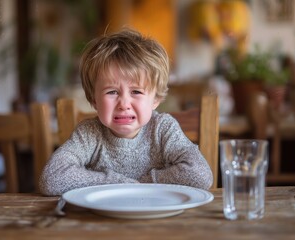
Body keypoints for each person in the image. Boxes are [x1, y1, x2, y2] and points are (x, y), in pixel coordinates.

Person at [39, 29, 213, 195]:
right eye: (112, 92)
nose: (124, 104)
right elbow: (51, 179)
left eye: (136, 92)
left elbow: (201, 175)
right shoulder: (89, 133)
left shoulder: (163, 129)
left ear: (155, 100)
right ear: (94, 100)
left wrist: (143, 183)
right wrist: (116, 182)